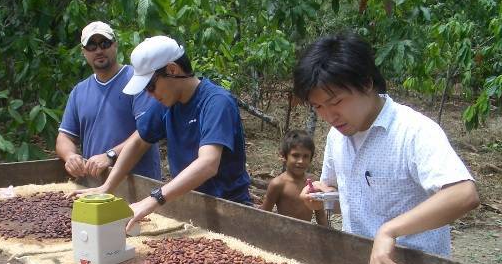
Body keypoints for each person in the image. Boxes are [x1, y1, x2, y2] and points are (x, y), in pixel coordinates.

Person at [294, 32, 480, 264]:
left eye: (336, 102)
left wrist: (389, 231)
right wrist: (322, 198)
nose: (329, 115)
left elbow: (463, 194)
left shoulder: (413, 131)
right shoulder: (338, 136)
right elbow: (343, 197)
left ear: (367, 84)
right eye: (318, 107)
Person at [73, 35, 252, 231]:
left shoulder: (217, 102)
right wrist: (107, 187)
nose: (149, 94)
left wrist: (153, 199)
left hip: (229, 211)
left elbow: (208, 163)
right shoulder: (166, 105)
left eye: (150, 86)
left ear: (172, 70)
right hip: (190, 205)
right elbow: (139, 142)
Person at [55, 21, 161, 180]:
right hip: (95, 186)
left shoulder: (137, 80)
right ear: (83, 51)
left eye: (104, 43)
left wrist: (110, 155)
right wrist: (70, 156)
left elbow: (146, 132)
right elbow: (64, 137)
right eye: (91, 46)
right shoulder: (79, 91)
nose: (98, 50)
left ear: (115, 45)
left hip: (138, 184)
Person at [261, 130, 327, 225]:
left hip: (306, 234)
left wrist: (330, 237)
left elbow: (320, 215)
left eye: (305, 156)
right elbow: (264, 214)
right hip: (284, 234)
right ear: (284, 156)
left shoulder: (314, 183)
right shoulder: (278, 184)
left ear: (311, 158)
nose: (301, 161)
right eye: (295, 155)